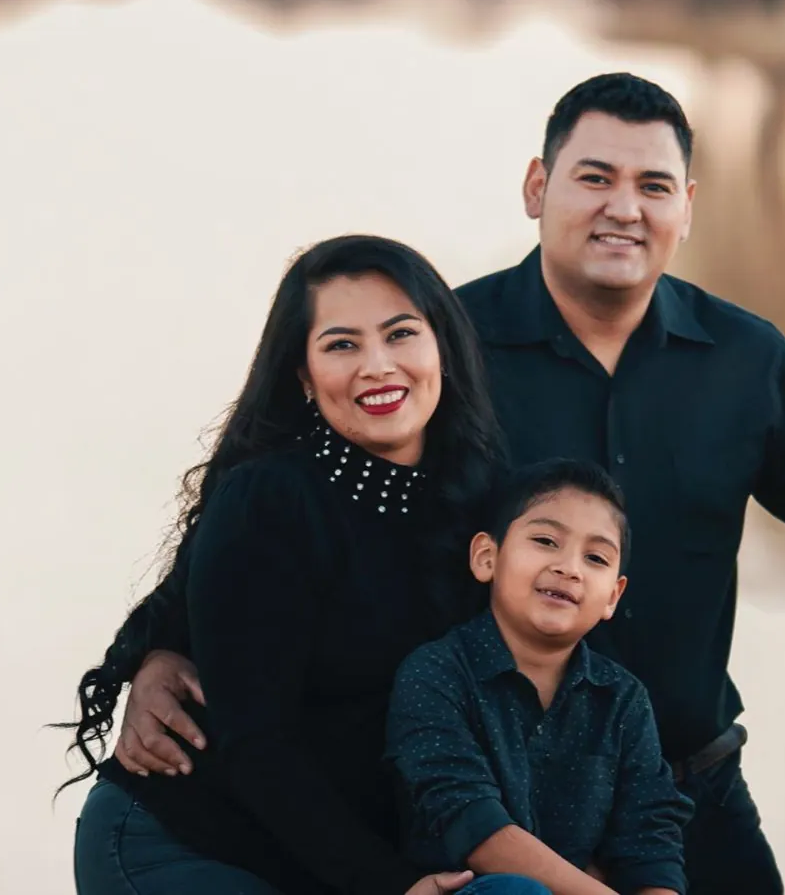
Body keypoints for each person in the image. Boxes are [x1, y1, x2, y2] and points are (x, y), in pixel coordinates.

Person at [96, 74, 785, 895]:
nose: (623, 207)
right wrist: (158, 645)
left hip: (685, 770)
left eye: (652, 184)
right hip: (503, 782)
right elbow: (290, 503)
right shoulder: (443, 351)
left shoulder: (742, 358)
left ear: (687, 205)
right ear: (538, 188)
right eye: (594, 177)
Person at [61, 234, 552, 895]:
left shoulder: (486, 499)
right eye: (341, 344)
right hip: (190, 844)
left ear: (444, 345)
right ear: (303, 374)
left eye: (401, 334)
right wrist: (390, 885)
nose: (377, 366)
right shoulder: (270, 499)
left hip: (339, 858)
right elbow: (256, 744)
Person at [387, 459, 691, 895]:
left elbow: (650, 845)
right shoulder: (436, 674)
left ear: (613, 596)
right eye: (546, 541)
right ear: (486, 557)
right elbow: (474, 828)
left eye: (595, 557)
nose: (570, 568)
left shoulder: (622, 698)